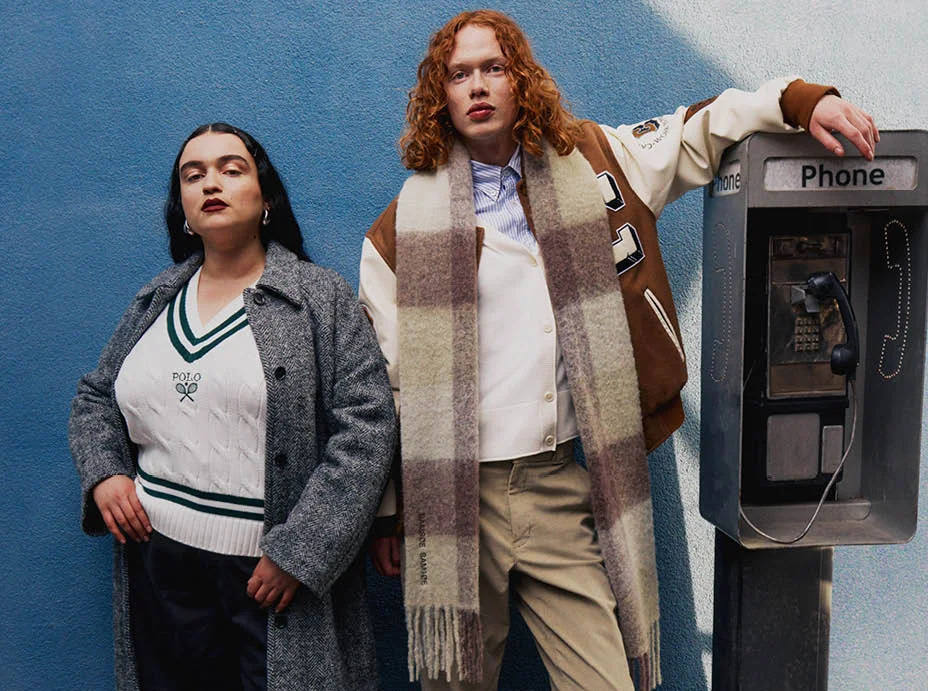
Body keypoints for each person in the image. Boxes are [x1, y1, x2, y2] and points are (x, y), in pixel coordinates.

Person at [359, 9, 879, 691]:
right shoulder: (402, 229)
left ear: (521, 80)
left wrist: (798, 101)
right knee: (455, 683)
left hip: (554, 483)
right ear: (441, 96)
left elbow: (698, 131)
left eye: (494, 68)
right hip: (455, 501)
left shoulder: (596, 161)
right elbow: (388, 383)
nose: (478, 86)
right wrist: (391, 512)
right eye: (459, 75)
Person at [69, 122, 396, 691]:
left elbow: (367, 429)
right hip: (158, 566)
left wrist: (301, 552)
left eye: (231, 169)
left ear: (266, 198)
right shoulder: (156, 299)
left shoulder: (319, 299)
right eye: (193, 176)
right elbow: (96, 398)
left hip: (269, 580)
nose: (210, 184)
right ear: (183, 209)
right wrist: (105, 474)